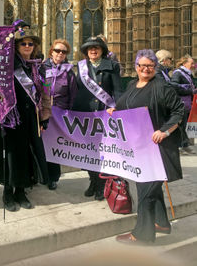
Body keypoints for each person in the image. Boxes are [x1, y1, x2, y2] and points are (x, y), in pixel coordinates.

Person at [108, 49, 184, 244]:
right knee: (150, 187)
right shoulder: (133, 84)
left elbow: (178, 112)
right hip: (139, 149)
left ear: (155, 67)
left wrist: (165, 131)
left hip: (158, 149)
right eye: (142, 65)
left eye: (150, 65)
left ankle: (142, 235)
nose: (146, 69)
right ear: (136, 67)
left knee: (146, 191)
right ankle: (161, 223)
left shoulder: (162, 87)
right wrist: (114, 111)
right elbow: (125, 105)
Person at [0, 22, 51, 211]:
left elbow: (45, 93)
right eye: (23, 44)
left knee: (26, 154)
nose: (27, 47)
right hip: (10, 117)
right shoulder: (7, 65)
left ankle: (21, 191)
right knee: (10, 155)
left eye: (30, 44)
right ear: (16, 47)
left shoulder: (38, 67)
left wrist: (45, 117)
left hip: (30, 117)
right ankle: (8, 192)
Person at [72, 36, 122, 200]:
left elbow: (118, 90)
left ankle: (102, 185)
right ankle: (92, 181)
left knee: (103, 152)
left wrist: (116, 107)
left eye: (97, 47)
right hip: (85, 114)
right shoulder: (81, 67)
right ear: (86, 51)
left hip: (104, 115)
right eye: (90, 48)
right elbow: (77, 89)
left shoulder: (112, 66)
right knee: (89, 151)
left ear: (102, 50)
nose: (93, 50)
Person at [44, 39, 77, 190]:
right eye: (57, 50)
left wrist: (67, 114)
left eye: (64, 52)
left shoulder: (69, 71)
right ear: (52, 51)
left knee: (53, 146)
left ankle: (52, 177)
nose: (60, 54)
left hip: (59, 114)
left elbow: (73, 95)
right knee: (39, 145)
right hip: (42, 112)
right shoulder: (41, 67)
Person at [171, 54, 197, 155]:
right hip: (181, 103)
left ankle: (185, 145)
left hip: (188, 103)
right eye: (191, 63)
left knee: (186, 124)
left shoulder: (188, 73)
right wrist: (190, 89)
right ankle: (182, 146)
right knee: (181, 125)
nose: (193, 65)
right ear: (185, 63)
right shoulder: (178, 73)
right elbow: (174, 86)